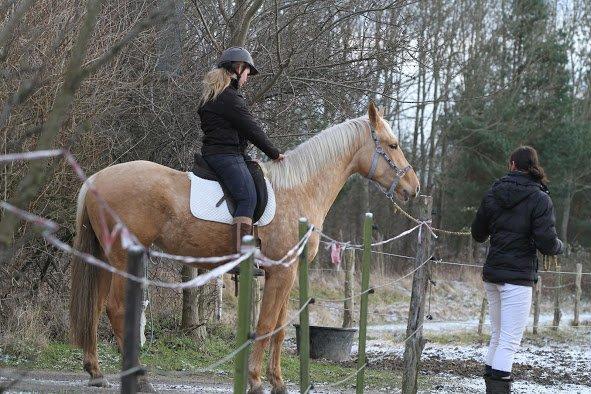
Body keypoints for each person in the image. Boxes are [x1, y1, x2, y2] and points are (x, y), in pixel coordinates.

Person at [471, 146, 563, 393]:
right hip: (518, 277)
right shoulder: (540, 198)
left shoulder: (493, 193)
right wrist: (559, 247)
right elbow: (546, 242)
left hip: (493, 274)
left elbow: (478, 234)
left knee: (498, 336)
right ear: (534, 166)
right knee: (509, 342)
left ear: (511, 164)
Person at [198, 47, 284, 252]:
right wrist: (274, 153)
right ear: (237, 68)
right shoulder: (228, 98)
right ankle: (240, 256)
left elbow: (234, 133)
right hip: (225, 155)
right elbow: (251, 128)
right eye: (247, 73)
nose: (247, 78)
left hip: (224, 153)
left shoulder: (214, 95)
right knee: (247, 197)